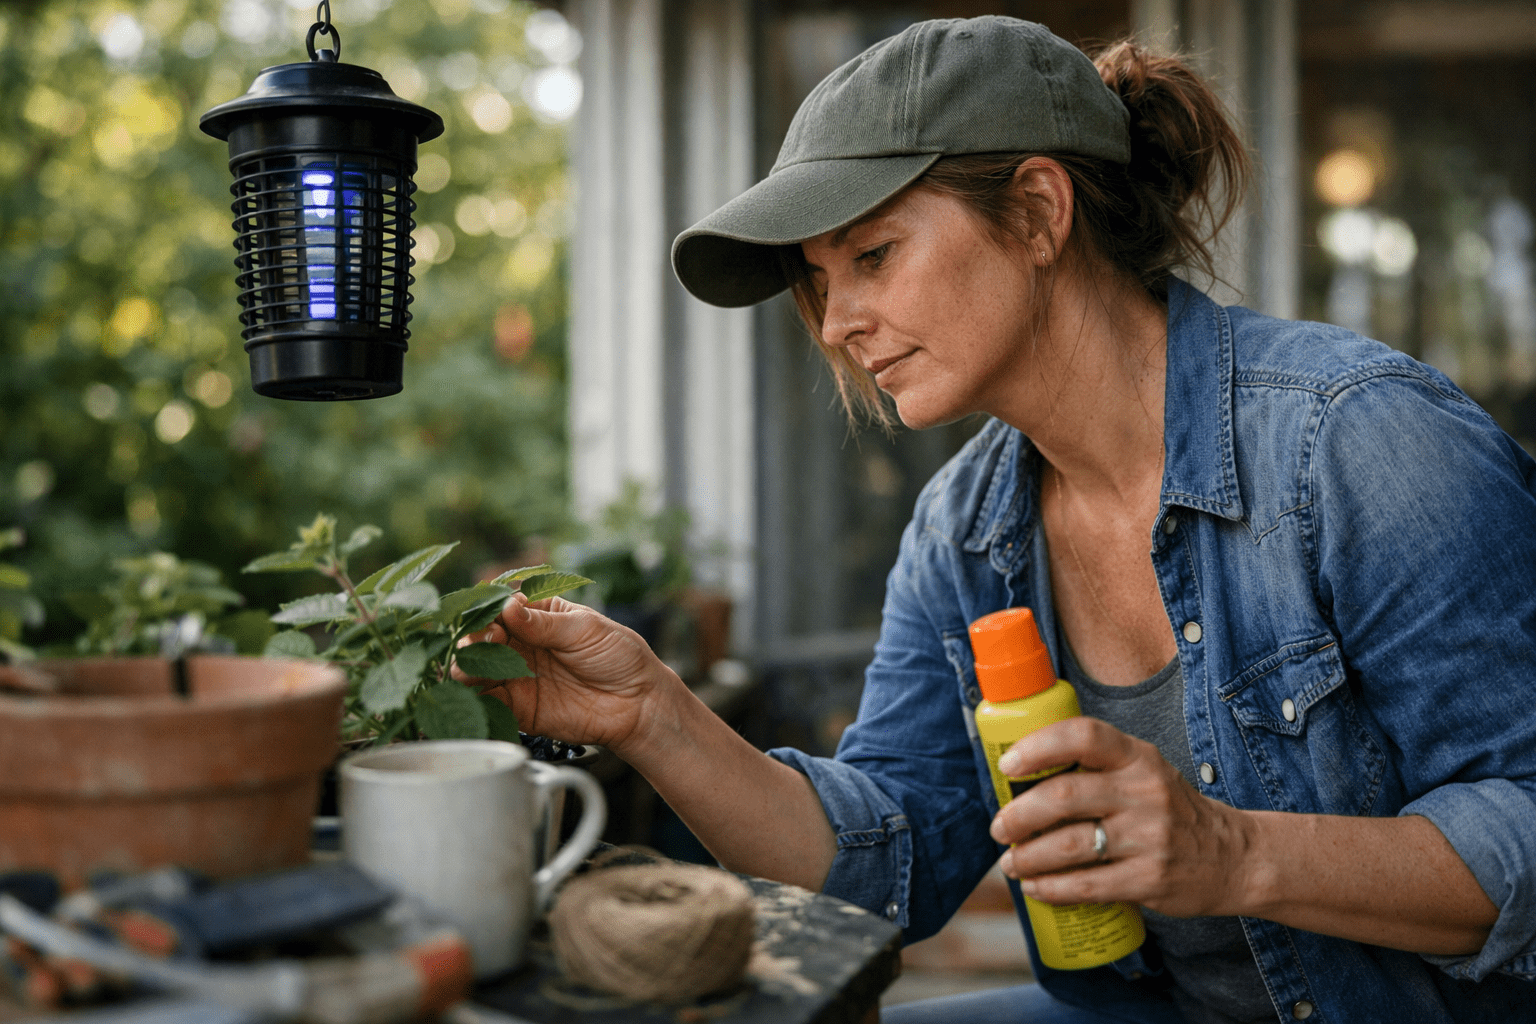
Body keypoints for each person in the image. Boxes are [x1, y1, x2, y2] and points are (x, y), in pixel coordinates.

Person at [461, 17, 1536, 1023]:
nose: (838, 325)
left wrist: (1234, 852)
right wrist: (653, 712)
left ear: (1037, 212)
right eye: (821, 282)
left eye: (874, 255)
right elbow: (886, 865)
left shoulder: (1358, 442)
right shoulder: (965, 527)